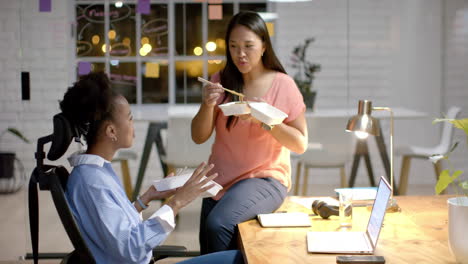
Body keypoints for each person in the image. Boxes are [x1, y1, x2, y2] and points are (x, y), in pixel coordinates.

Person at [61, 72, 244, 264]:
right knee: (239, 259)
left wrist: (146, 198)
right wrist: (176, 203)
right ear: (111, 131)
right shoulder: (93, 183)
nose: (132, 125)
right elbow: (131, 248)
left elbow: (115, 229)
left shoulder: (94, 172)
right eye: (130, 118)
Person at [191, 11, 308, 254]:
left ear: (264, 46)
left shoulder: (283, 84)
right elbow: (198, 136)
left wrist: (264, 118)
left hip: (264, 178)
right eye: (233, 46)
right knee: (209, 250)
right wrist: (207, 104)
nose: (240, 54)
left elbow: (300, 144)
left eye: (248, 46)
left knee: (218, 224)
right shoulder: (221, 80)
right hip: (219, 180)